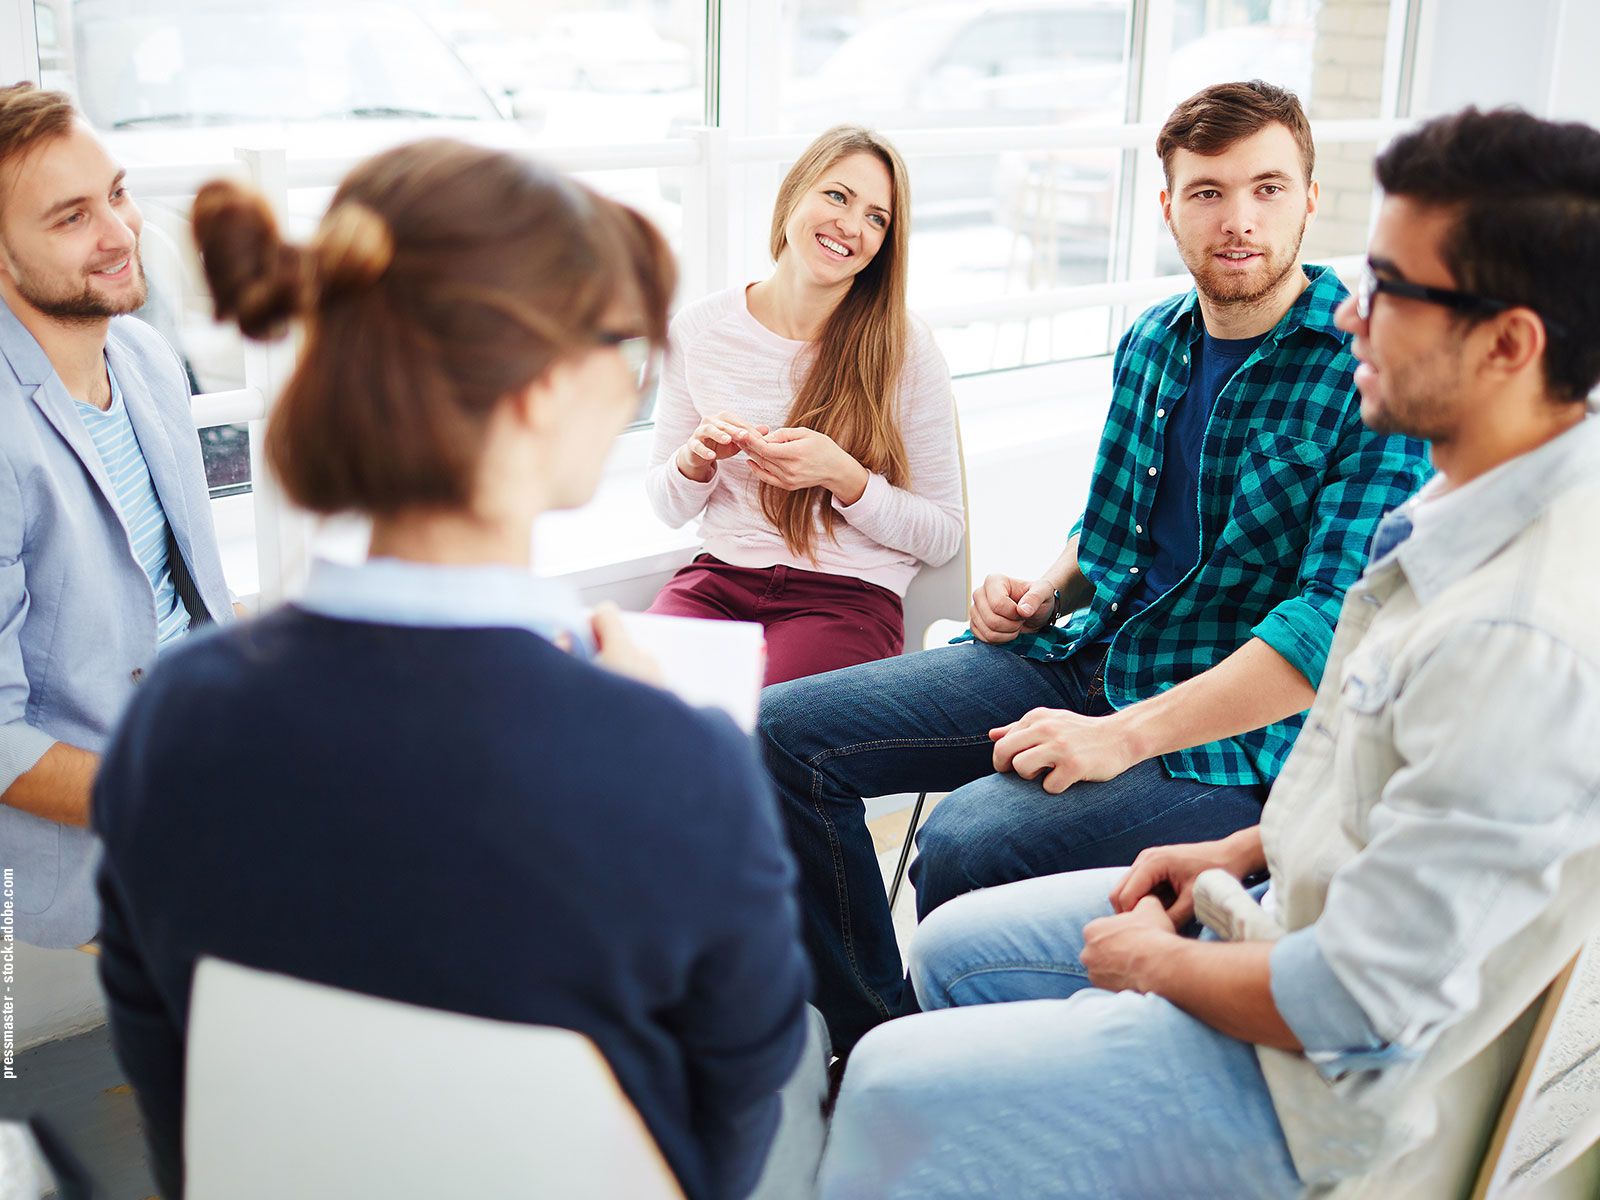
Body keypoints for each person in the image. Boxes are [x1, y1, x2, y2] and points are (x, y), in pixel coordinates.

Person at [819, 105, 1600, 1199]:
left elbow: (1360, 1006)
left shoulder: (1516, 636)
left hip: (1301, 1090)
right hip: (1266, 887)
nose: (1352, 317)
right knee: (948, 953)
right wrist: (1247, 852)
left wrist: (1162, 965)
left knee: (892, 1085)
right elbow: (1369, 794)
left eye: (1388, 289)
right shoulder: (1457, 506)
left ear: (1508, 343)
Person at [93, 140, 814, 1200]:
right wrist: (656, 738)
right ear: (533, 394)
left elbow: (176, 1093)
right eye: (618, 343)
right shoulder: (678, 768)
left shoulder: (171, 723)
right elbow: (725, 1128)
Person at [760, 81, 1430, 1055]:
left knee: (964, 842)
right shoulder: (1154, 340)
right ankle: (875, 1041)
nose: (1237, 220)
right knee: (785, 734)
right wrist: (1043, 588)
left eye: (1266, 189)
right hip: (1085, 657)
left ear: (1310, 200)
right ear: (1166, 208)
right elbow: (1109, 526)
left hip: (1228, 740)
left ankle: (980, 1062)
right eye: (1205, 193)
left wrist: (1117, 737)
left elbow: (1327, 627)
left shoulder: (1364, 369)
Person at [0, 83, 232, 951]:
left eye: (118, 193)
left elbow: (181, 598)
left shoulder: (139, 355)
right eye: (70, 218)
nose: (120, 233)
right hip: (108, 812)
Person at [645, 125, 963, 687]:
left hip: (847, 600)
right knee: (632, 704)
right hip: (720, 582)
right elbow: (667, 507)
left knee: (768, 729)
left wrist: (845, 478)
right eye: (837, 195)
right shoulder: (699, 330)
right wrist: (694, 462)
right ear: (795, 193)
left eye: (876, 217)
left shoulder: (906, 349)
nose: (850, 224)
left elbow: (942, 534)